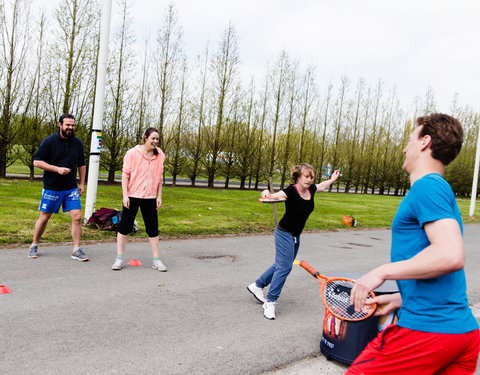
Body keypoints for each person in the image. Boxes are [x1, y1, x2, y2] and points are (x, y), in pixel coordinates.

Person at [347, 114, 479, 374]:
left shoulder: (427, 187)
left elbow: (450, 255)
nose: (404, 147)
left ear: (424, 142)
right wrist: (401, 297)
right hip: (461, 332)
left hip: (428, 331)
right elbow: (434, 260)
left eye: (410, 139)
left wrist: (381, 272)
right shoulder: (439, 189)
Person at [247, 164, 340, 320]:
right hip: (284, 233)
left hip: (296, 235)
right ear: (298, 176)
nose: (309, 180)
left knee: (281, 264)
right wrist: (265, 192)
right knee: (284, 267)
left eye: (311, 177)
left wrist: (332, 179)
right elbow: (272, 196)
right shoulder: (290, 190)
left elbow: (322, 186)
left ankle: (257, 285)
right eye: (306, 176)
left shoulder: (311, 190)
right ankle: (270, 302)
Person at [29, 113, 88, 261]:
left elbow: (81, 164)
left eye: (73, 125)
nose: (70, 128)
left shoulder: (78, 143)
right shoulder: (49, 142)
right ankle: (34, 244)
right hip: (52, 187)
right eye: (67, 125)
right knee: (44, 217)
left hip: (70, 187)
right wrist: (57, 169)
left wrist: (81, 183)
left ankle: (76, 249)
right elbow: (37, 162)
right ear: (60, 125)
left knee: (77, 216)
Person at [111, 127, 167, 272]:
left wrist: (159, 196)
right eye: (152, 138)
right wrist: (125, 195)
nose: (155, 141)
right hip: (132, 195)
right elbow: (125, 175)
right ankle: (119, 259)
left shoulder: (160, 155)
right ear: (145, 138)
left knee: (153, 229)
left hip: (149, 197)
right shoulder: (132, 153)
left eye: (157, 139)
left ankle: (156, 260)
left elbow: (160, 178)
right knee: (125, 227)